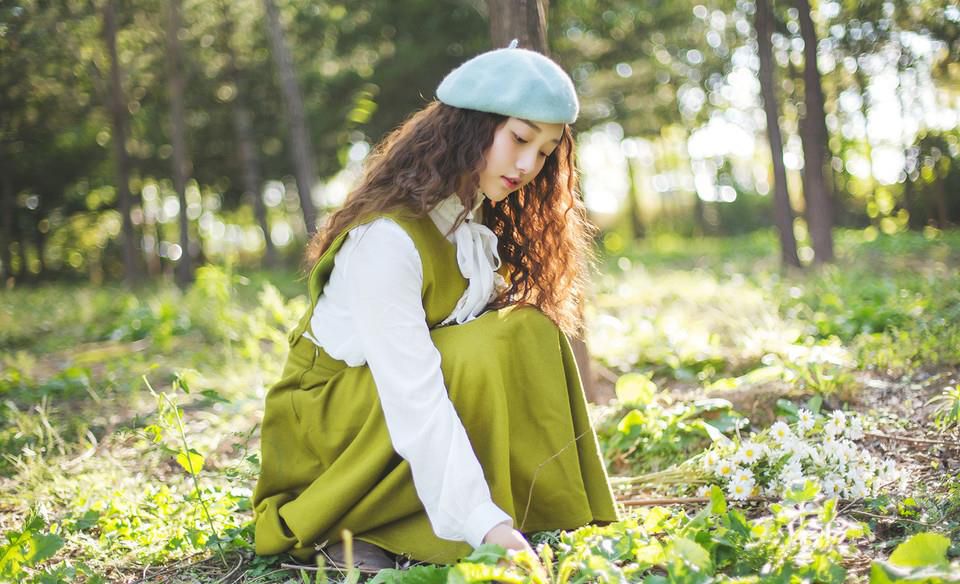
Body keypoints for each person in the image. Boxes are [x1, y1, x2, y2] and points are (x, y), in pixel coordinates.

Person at [252, 41, 619, 569]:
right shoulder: (387, 239)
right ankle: (354, 525)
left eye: (544, 151)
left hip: (381, 412)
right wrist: (485, 527)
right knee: (486, 345)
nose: (527, 164)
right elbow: (415, 396)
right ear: (469, 125)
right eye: (518, 137)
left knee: (526, 330)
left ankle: (524, 510)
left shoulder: (468, 226)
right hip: (326, 442)